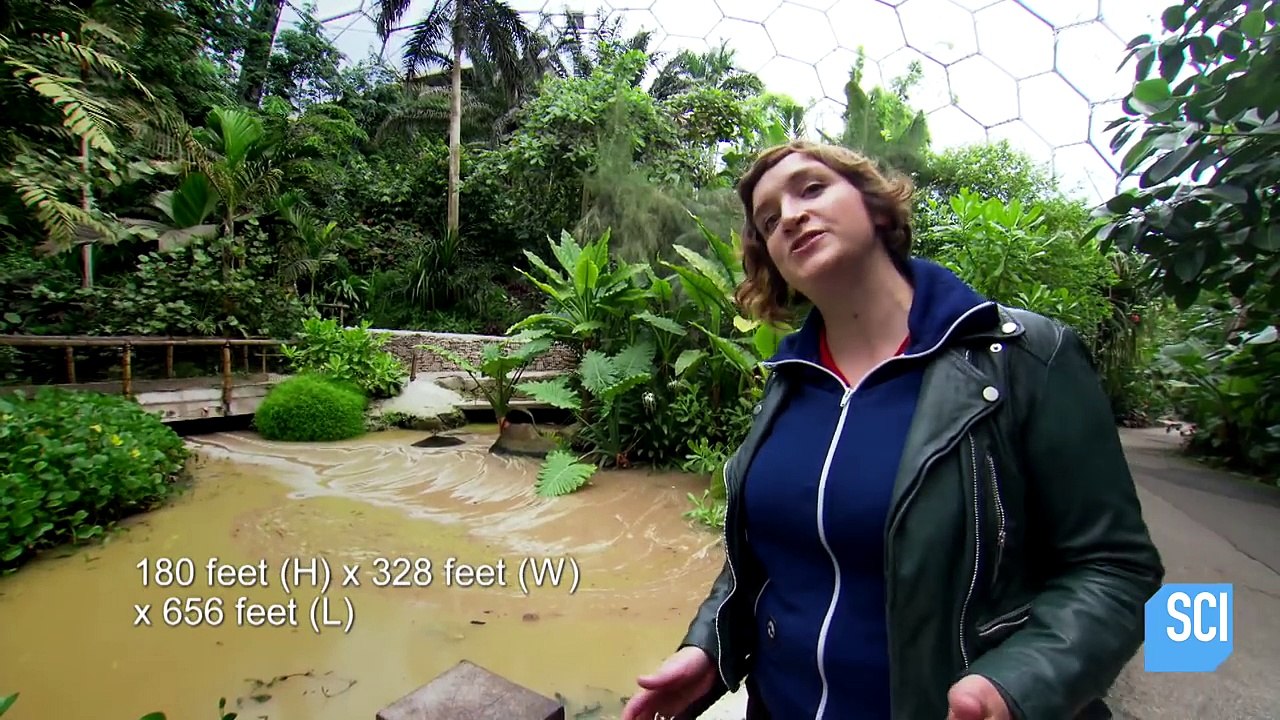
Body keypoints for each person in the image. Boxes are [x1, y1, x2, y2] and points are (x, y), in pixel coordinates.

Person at [621, 141, 1165, 720]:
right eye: (769, 220)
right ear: (772, 261)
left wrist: (1015, 688)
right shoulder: (787, 382)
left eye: (811, 189)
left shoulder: (1024, 358)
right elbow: (762, 559)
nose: (792, 217)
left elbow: (1114, 567)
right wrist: (711, 647)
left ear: (876, 206)